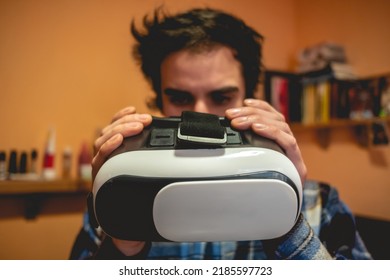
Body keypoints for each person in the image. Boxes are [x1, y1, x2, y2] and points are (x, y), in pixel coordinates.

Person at [70, 7, 372, 260]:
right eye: (181, 98)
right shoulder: (118, 202)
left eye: (222, 97)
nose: (201, 114)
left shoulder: (320, 203)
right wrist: (123, 241)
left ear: (249, 98)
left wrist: (286, 218)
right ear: (159, 100)